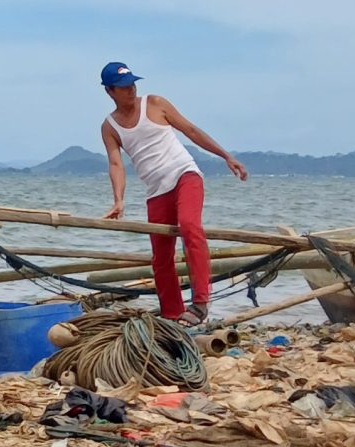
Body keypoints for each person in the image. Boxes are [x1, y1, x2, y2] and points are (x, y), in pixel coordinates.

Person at [99, 62, 247, 324]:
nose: (131, 90)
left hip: (184, 175)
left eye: (132, 83)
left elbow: (190, 130)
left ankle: (200, 302)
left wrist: (226, 156)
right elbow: (115, 164)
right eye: (123, 87)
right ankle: (173, 314)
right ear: (110, 91)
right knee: (161, 256)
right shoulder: (110, 127)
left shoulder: (155, 103)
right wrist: (118, 200)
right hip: (156, 190)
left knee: (190, 227)